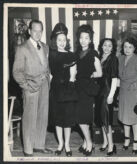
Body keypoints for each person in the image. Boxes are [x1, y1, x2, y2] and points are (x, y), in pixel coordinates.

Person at [13, 20, 52, 156]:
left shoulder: (45, 47)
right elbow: (16, 72)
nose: (37, 33)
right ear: (29, 31)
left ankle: (39, 145)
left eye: (40, 30)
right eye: (35, 30)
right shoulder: (22, 48)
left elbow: (46, 66)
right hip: (30, 88)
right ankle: (28, 149)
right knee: (29, 118)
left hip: (44, 87)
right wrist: (26, 86)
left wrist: (48, 77)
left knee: (42, 116)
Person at [49, 23, 77, 157]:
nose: (61, 42)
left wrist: (69, 87)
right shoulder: (51, 54)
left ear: (67, 41)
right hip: (55, 89)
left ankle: (67, 144)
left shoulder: (71, 55)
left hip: (67, 89)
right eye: (59, 40)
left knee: (67, 119)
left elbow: (73, 74)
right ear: (55, 41)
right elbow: (49, 73)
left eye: (64, 40)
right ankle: (60, 144)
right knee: (57, 118)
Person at [75, 24, 102, 156]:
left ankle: (89, 142)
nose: (83, 40)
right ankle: (86, 142)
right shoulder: (77, 53)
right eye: (81, 37)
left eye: (86, 38)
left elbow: (100, 73)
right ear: (78, 39)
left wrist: (90, 75)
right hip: (77, 88)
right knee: (80, 117)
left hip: (87, 89)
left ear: (90, 40)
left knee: (82, 118)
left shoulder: (93, 53)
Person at [118, 36, 137, 154]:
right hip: (123, 91)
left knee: (134, 118)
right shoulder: (120, 58)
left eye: (130, 47)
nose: (127, 49)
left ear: (134, 48)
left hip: (134, 91)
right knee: (125, 117)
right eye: (125, 47)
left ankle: (136, 143)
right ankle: (127, 140)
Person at [97, 38, 119, 156]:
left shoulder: (113, 59)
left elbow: (115, 78)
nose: (107, 47)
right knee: (101, 119)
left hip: (107, 92)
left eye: (109, 46)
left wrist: (111, 95)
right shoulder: (100, 58)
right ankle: (105, 143)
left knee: (107, 120)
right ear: (101, 46)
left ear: (112, 48)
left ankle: (111, 145)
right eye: (105, 45)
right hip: (100, 92)